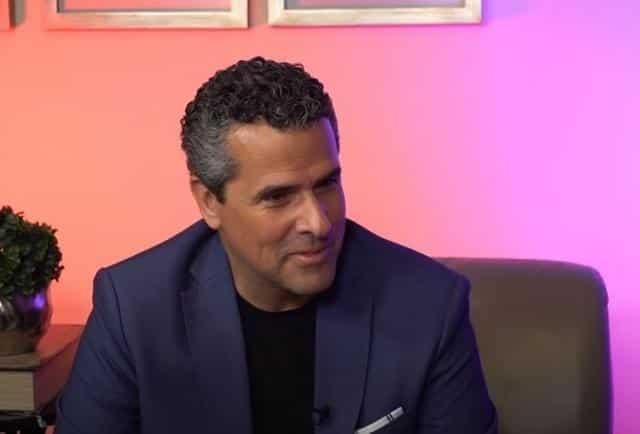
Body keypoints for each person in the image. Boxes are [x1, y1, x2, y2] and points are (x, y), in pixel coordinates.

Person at [55, 57, 497, 434]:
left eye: (327, 184)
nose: (318, 223)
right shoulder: (133, 309)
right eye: (278, 196)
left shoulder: (430, 304)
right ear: (209, 201)